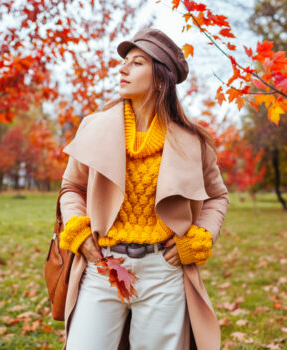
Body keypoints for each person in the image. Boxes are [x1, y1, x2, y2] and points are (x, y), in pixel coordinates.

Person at [58, 27, 229, 350]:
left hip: (162, 271)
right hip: (102, 267)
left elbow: (217, 197)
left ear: (161, 77)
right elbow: (71, 188)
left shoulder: (193, 141)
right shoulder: (94, 127)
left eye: (137, 63)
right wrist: (78, 231)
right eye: (124, 61)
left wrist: (200, 237)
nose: (122, 69)